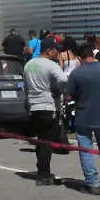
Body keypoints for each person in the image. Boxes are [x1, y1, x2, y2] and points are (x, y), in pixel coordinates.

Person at [65, 40, 100, 194]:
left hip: (84, 116)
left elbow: (68, 96)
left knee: (86, 150)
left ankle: (93, 184)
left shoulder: (77, 73)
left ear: (80, 57)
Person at [24, 37, 68, 186]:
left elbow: (25, 86)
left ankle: (41, 169)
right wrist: (57, 91)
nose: (58, 53)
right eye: (56, 50)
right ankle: (44, 174)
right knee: (46, 142)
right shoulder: (51, 65)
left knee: (41, 139)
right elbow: (63, 79)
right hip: (48, 107)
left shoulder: (29, 64)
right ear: (49, 51)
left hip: (34, 107)